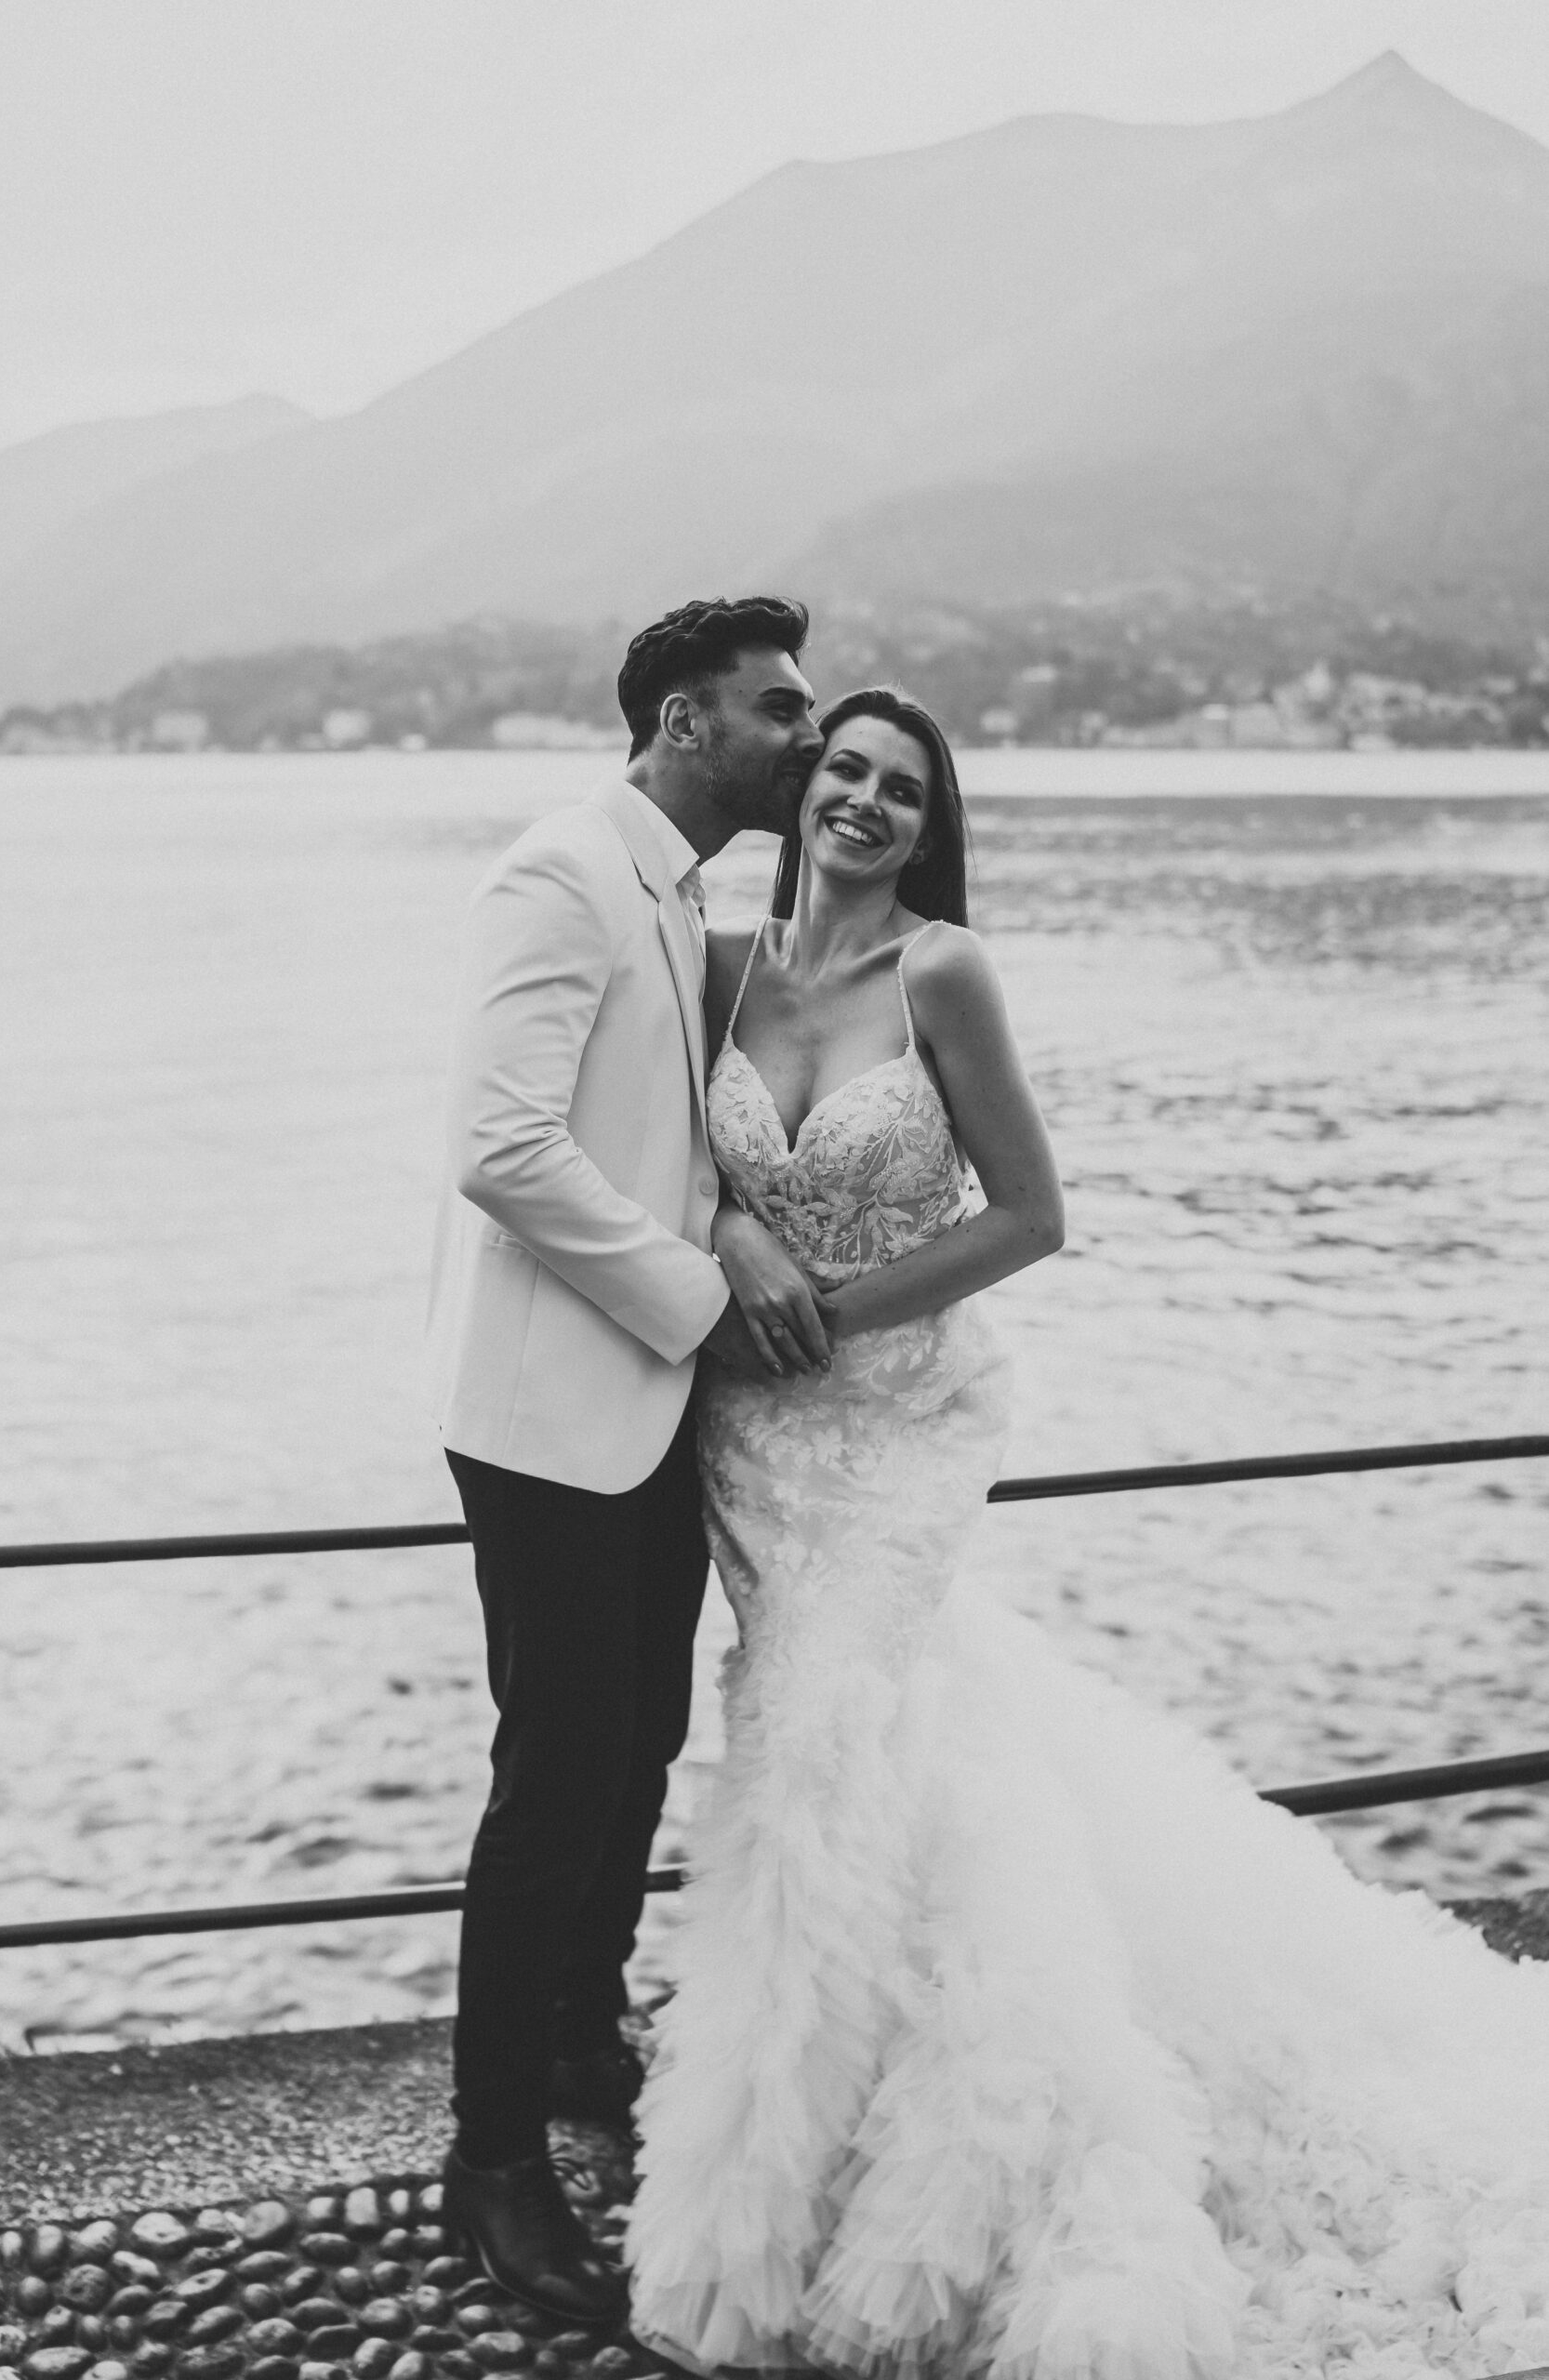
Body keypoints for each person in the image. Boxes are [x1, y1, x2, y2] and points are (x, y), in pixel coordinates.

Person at [627, 688, 1549, 2379]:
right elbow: (660, 1156)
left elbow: (1033, 1216)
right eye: (843, 770)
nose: (865, 804)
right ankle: (821, 2153)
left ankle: (774, 2223)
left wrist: (828, 1304)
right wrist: (723, 1240)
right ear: (798, 786)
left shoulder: (944, 973)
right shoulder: (712, 970)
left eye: (902, 791)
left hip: (899, 1430)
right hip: (752, 1441)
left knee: (825, 1757)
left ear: (930, 823)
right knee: (862, 1761)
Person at [425, 595, 835, 2326]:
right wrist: (697, 1285)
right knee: (557, 1775)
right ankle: (492, 2159)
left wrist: (729, 1228)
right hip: (551, 1417)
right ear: (683, 721)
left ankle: (585, 2038)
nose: (805, 739)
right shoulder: (563, 871)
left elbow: (651, 1134)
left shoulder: (677, 891)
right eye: (778, 710)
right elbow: (499, 1145)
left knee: (640, 1741)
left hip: (653, 1406)